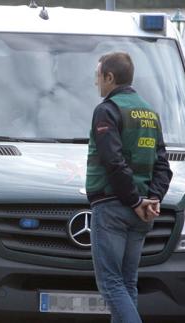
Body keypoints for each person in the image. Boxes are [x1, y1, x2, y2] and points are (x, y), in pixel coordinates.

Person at [87, 52, 172, 322]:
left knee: (111, 285)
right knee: (127, 285)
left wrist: (135, 201)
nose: (96, 82)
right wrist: (152, 198)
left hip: (114, 207)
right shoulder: (149, 112)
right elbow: (163, 166)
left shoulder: (107, 110)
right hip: (142, 211)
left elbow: (113, 161)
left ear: (110, 77)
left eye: (98, 76)